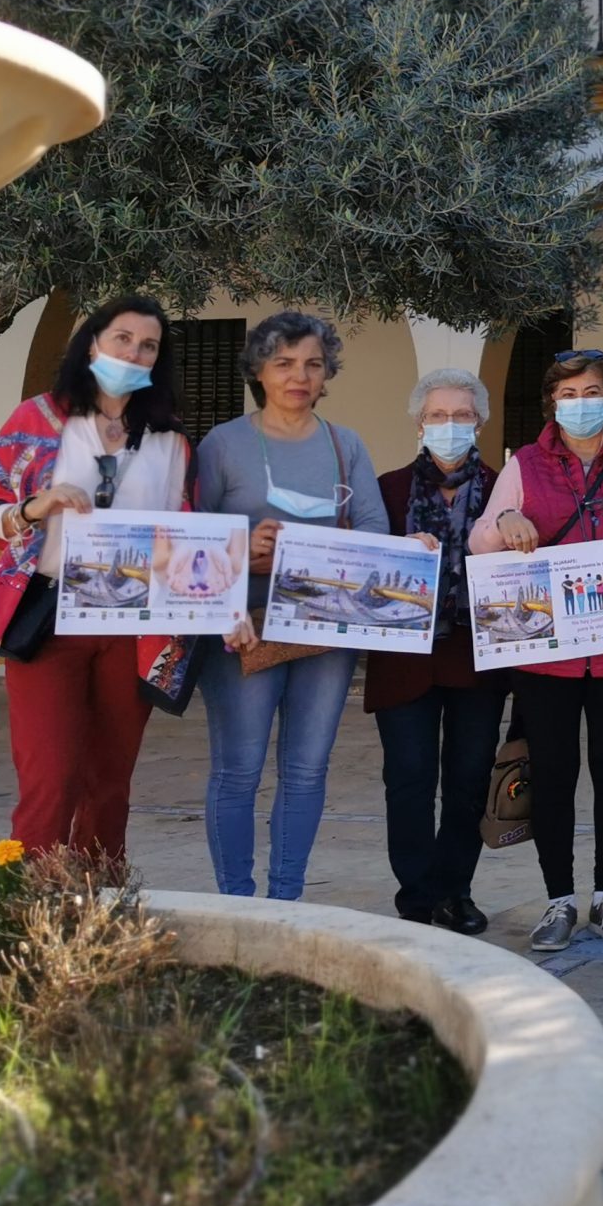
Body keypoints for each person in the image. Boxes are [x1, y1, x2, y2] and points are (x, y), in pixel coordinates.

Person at [0, 295, 193, 865]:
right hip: (49, 618)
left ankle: (100, 915)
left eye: (148, 345)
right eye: (123, 338)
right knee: (51, 778)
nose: (134, 352)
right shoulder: (36, 420)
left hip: (132, 624)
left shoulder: (171, 440)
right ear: (92, 343)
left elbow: (185, 533)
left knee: (110, 782)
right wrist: (34, 508)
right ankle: (24, 911)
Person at [471, 348, 603, 953]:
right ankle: (559, 898)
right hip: (547, 655)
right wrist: (507, 519)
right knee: (555, 775)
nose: (581, 404)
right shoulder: (524, 466)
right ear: (552, 403)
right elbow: (483, 540)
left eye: (592, 392)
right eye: (568, 394)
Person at [195, 312, 393, 902]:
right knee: (239, 770)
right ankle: (236, 899)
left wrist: (407, 549)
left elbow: (375, 529)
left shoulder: (345, 444)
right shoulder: (223, 443)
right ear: (258, 370)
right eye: (283, 363)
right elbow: (190, 538)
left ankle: (287, 900)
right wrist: (240, 545)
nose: (298, 376)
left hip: (325, 630)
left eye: (312, 363)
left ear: (328, 371)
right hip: (242, 631)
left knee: (307, 771)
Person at [370, 367, 509, 936]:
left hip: (477, 657)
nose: (448, 425)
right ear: (419, 423)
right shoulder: (389, 489)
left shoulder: (505, 489)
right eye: (436, 415)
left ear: (478, 422)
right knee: (407, 777)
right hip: (406, 658)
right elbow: (364, 568)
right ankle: (417, 895)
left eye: (460, 416)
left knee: (469, 778)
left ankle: (456, 890)